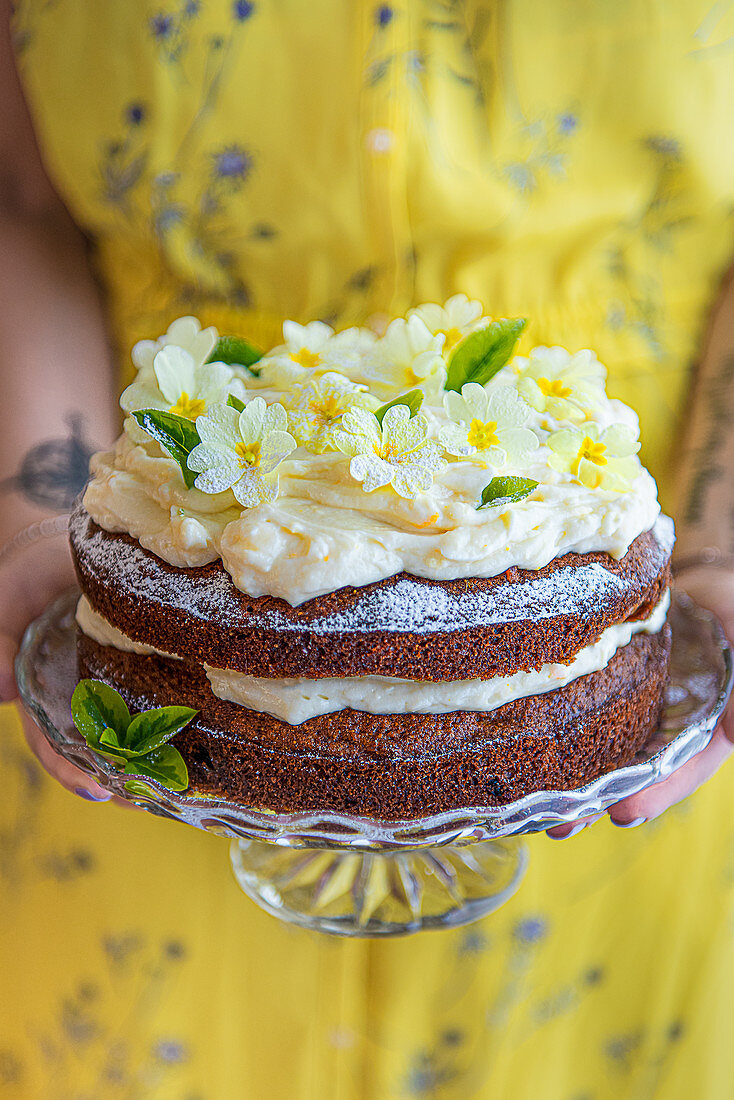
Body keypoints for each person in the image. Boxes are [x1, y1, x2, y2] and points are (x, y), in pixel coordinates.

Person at [2, 2, 734, 1096]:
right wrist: (38, 502)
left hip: (608, 528)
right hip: (184, 527)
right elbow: (26, 202)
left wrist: (719, 543)